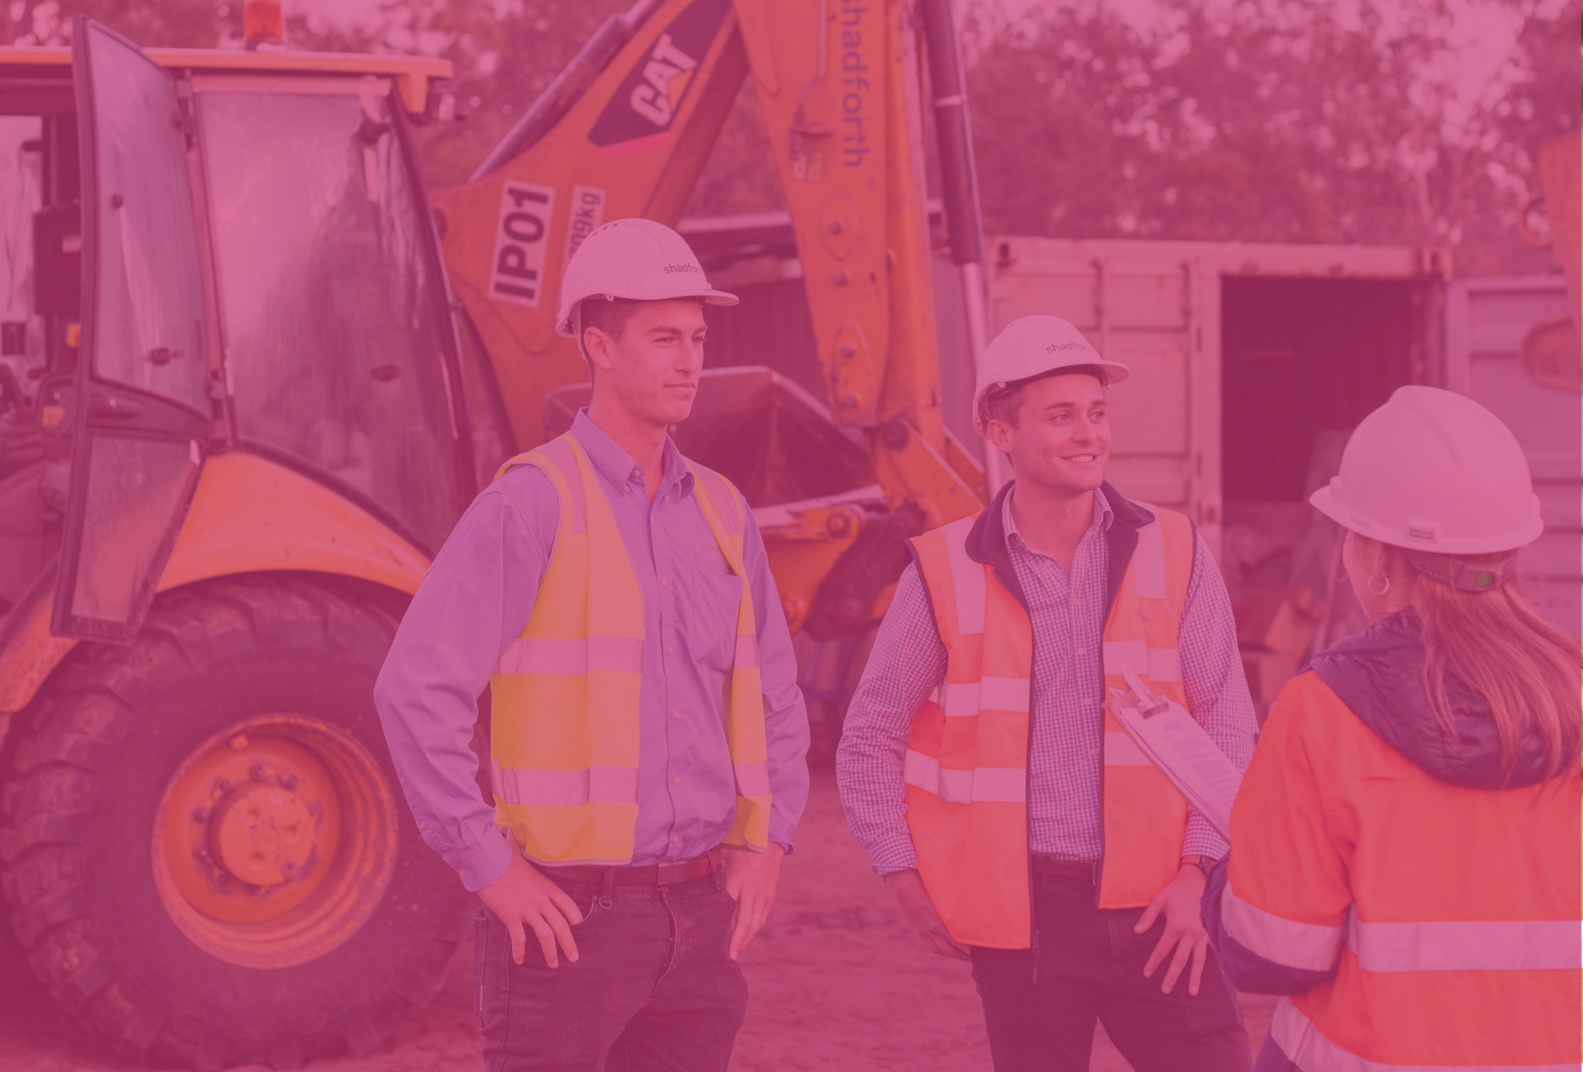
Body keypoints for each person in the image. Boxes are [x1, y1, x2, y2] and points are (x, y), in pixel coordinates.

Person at [374, 218, 811, 1072]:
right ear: (599, 345)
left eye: (697, 338)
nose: (689, 360)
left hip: (699, 911)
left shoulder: (723, 512)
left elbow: (774, 695)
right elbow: (415, 690)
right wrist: (488, 867)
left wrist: (771, 839)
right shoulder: (531, 503)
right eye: (663, 338)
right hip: (566, 922)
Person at [836, 313, 1256, 1071]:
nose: (1088, 433)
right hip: (1023, 919)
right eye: (1060, 416)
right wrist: (901, 874)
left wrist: (1200, 874)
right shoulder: (942, 571)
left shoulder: (1176, 549)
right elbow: (870, 736)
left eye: (1096, 413)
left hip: (1166, 907)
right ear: (1000, 432)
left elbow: (1227, 716)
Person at [1206, 385, 1581, 1070]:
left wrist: (1224, 880)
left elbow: (1272, 951)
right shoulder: (1575, 703)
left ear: (1378, 557)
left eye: (1346, 531)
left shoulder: (1322, 711)